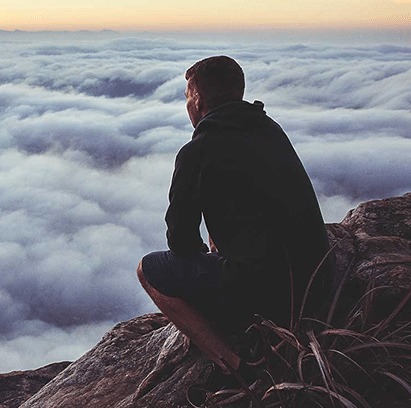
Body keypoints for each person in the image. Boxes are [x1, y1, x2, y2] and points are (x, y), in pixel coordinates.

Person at [136, 56, 333, 385]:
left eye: (187, 97)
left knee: (149, 270)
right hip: (318, 283)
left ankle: (238, 366)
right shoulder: (269, 128)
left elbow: (180, 241)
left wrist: (207, 256)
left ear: (197, 101)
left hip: (269, 296)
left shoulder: (197, 151)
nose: (187, 105)